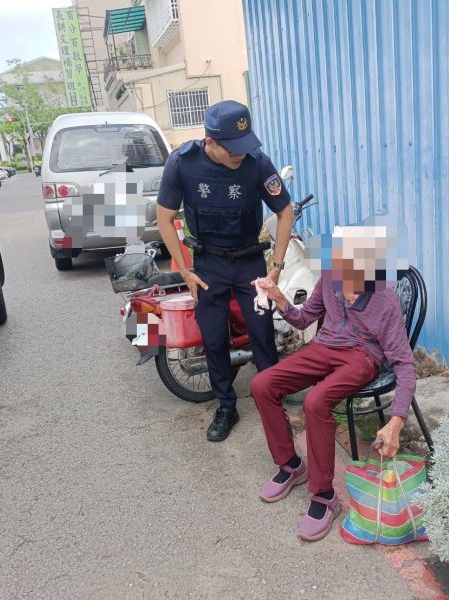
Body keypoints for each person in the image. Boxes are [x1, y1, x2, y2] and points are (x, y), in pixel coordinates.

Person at [250, 225, 416, 541]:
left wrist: (396, 420)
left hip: (362, 356)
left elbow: (404, 364)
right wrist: (278, 296)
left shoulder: (384, 300)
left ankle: (324, 495)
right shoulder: (329, 278)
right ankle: (291, 465)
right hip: (324, 347)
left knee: (316, 401)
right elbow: (303, 320)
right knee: (262, 384)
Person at [156, 100, 295, 442]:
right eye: (232, 149)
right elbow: (164, 216)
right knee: (214, 337)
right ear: (210, 142)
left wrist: (277, 267)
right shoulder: (182, 163)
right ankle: (226, 406)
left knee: (262, 335)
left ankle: (271, 402)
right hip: (208, 264)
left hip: (250, 262)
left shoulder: (257, 163)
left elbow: (285, 211)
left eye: (244, 147)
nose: (240, 155)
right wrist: (185, 271)